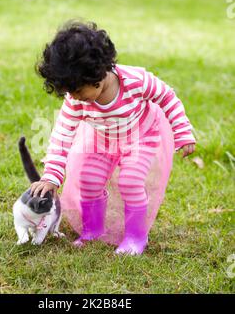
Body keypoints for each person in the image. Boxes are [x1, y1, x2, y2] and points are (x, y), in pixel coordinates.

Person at [31, 20, 196, 255]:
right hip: (102, 140)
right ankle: (93, 230)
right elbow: (62, 135)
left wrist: (182, 132)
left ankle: (135, 238)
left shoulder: (135, 81)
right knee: (88, 180)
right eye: (69, 92)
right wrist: (52, 176)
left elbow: (167, 97)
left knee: (129, 181)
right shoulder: (75, 101)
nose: (74, 97)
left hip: (140, 137)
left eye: (77, 91)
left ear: (97, 75)